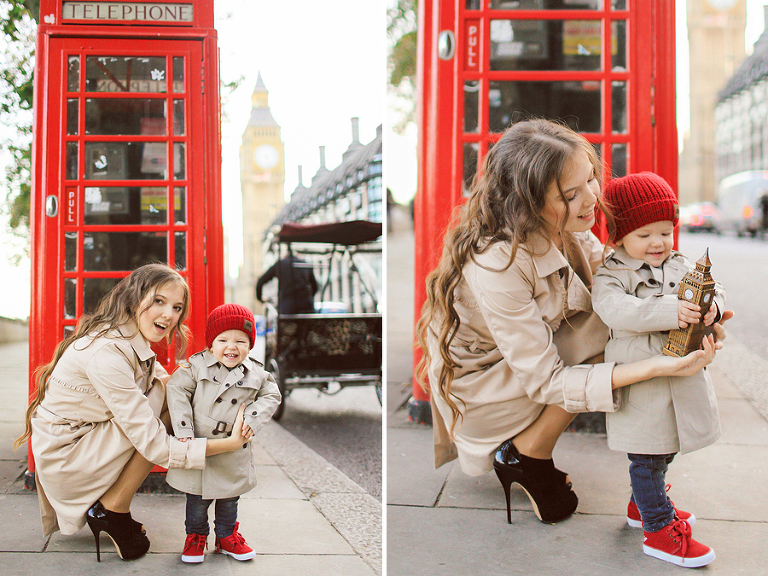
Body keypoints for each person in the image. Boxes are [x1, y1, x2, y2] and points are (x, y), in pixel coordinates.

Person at [415, 118, 728, 527]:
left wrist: (699, 316)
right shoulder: (497, 262)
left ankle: (641, 468)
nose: (591, 201)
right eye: (569, 194)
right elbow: (547, 379)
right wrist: (657, 364)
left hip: (521, 367)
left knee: (623, 322)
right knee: (611, 332)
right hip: (486, 387)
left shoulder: (569, 227)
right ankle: (530, 451)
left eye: (591, 181)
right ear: (526, 201)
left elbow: (627, 287)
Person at [15, 263, 254, 562]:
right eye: (158, 301)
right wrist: (229, 445)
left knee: (174, 396)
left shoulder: (129, 340)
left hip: (85, 441)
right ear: (133, 299)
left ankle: (114, 506)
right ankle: (113, 508)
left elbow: (168, 385)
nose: (169, 315)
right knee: (163, 414)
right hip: (69, 457)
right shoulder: (108, 353)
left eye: (177, 307)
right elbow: (154, 443)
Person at [592, 172, 724, 568]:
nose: (658, 242)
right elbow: (614, 309)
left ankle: (643, 505)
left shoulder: (680, 263)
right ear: (619, 236)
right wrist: (670, 309)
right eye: (645, 234)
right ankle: (658, 528)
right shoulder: (611, 273)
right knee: (646, 458)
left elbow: (712, 288)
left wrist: (713, 306)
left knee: (665, 448)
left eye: (665, 232)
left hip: (680, 376)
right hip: (643, 380)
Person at [165, 303, 281, 563]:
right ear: (210, 344)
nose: (232, 346)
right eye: (223, 339)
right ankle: (196, 536)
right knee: (196, 500)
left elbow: (272, 395)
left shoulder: (257, 373)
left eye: (241, 340)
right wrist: (183, 429)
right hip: (199, 444)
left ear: (250, 345)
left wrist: (253, 417)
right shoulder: (196, 367)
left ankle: (227, 537)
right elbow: (176, 390)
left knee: (229, 500)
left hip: (233, 452)